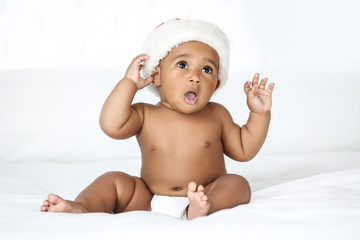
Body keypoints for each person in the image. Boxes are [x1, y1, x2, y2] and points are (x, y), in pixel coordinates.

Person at [40, 19, 275, 220]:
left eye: (207, 70)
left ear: (216, 85)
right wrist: (129, 84)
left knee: (237, 184)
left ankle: (204, 208)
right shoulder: (144, 114)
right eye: (182, 65)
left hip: (205, 191)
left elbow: (244, 150)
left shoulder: (217, 114)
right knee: (113, 180)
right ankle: (83, 207)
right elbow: (111, 125)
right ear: (156, 76)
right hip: (148, 198)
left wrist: (259, 113)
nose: (194, 77)